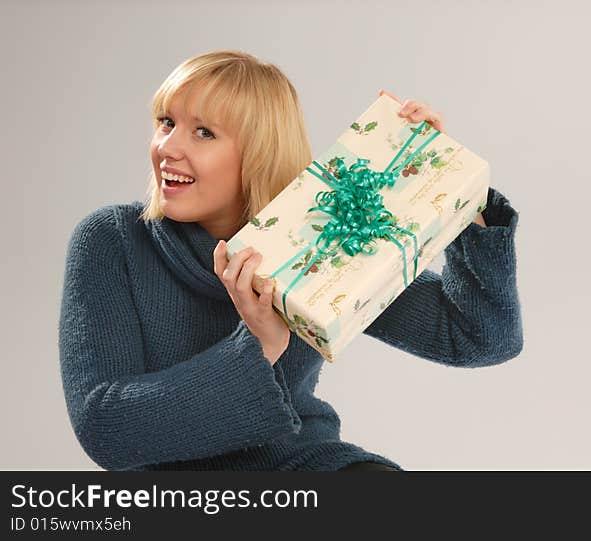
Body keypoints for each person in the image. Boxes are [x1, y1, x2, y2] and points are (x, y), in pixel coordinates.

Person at [58, 50, 522, 472]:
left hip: (309, 467)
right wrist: (257, 348)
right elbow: (106, 428)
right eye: (165, 122)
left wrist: (458, 197)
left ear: (258, 152)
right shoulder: (113, 240)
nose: (168, 148)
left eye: (203, 132)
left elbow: (479, 339)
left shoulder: (318, 239)